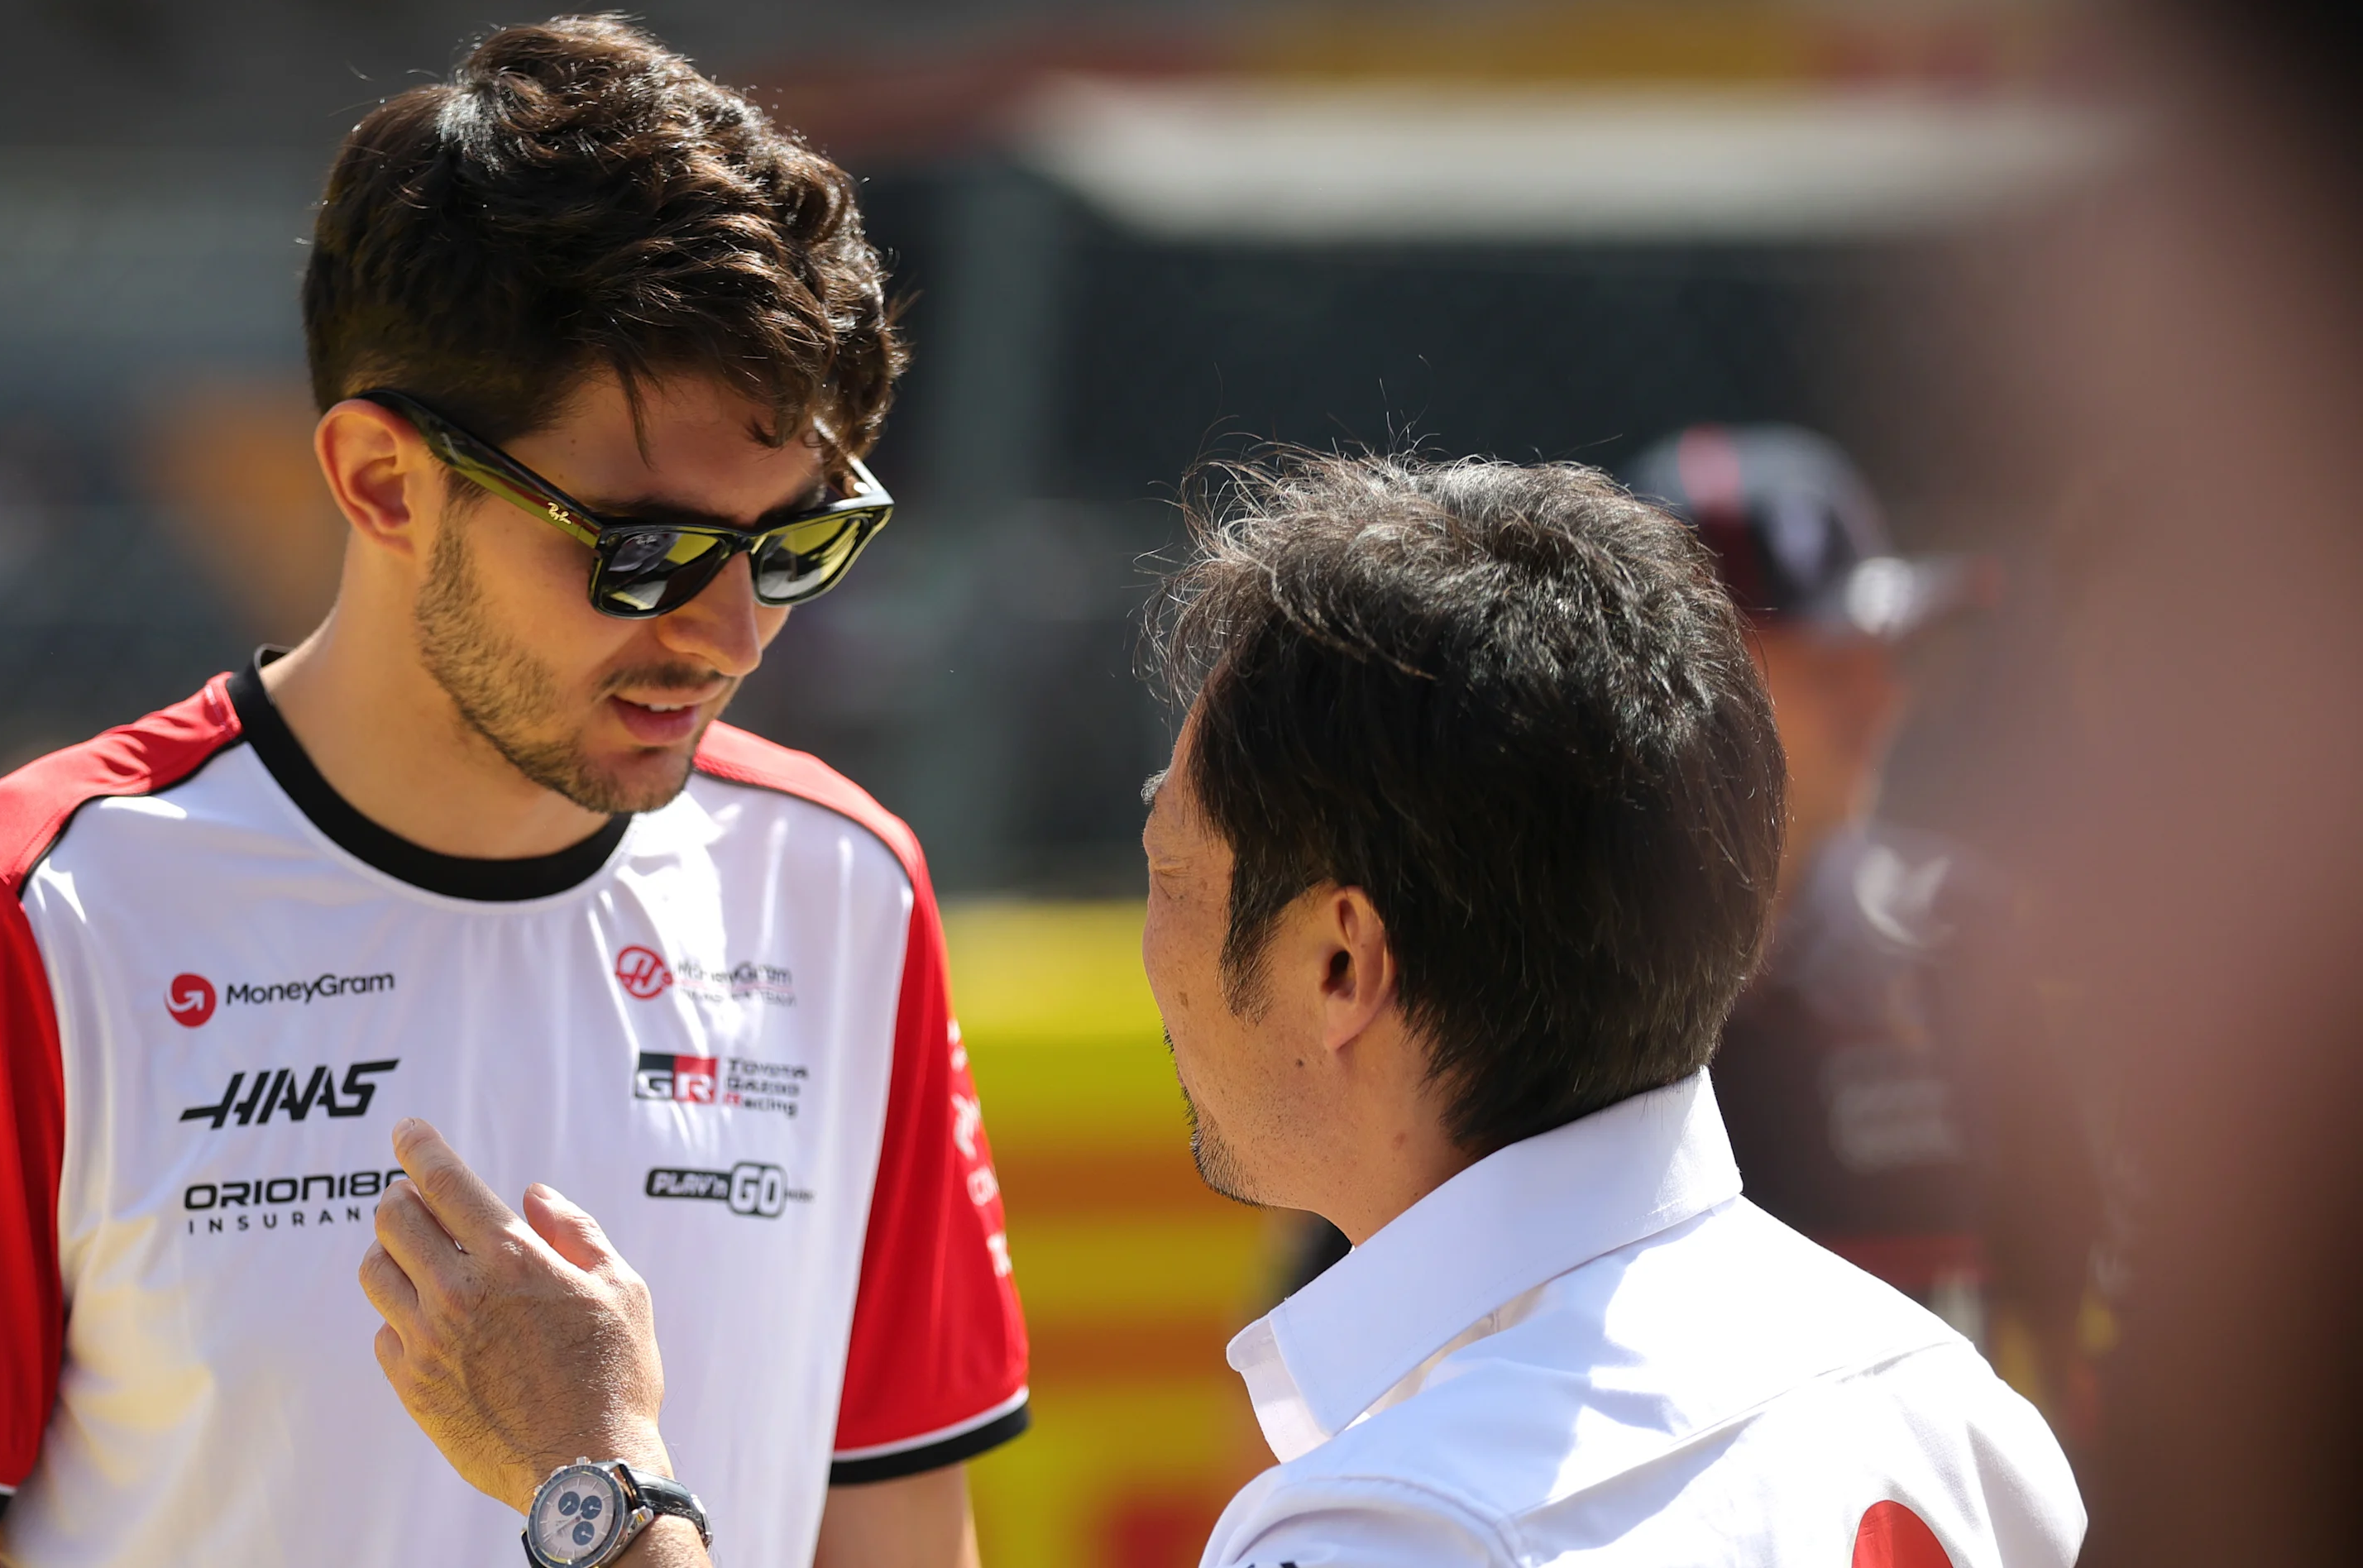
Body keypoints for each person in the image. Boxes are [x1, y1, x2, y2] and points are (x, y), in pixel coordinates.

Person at [0, 17, 1026, 1568]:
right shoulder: (25, 910)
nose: (731, 632)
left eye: (794, 540)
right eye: (642, 549)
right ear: (379, 480)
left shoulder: (840, 886)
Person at [354, 452, 2084, 1567]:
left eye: (1169, 873)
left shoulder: (1407, 1533)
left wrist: (600, 1495)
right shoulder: (1948, 1405)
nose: (1153, 947)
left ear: (1340, 965)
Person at [1621, 424, 2105, 1432]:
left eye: (1885, 652)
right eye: (1826, 660)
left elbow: (2067, 1350)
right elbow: (1319, 1407)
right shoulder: (1523, 980)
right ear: (1678, 679)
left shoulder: (1959, 944)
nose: (1882, 695)